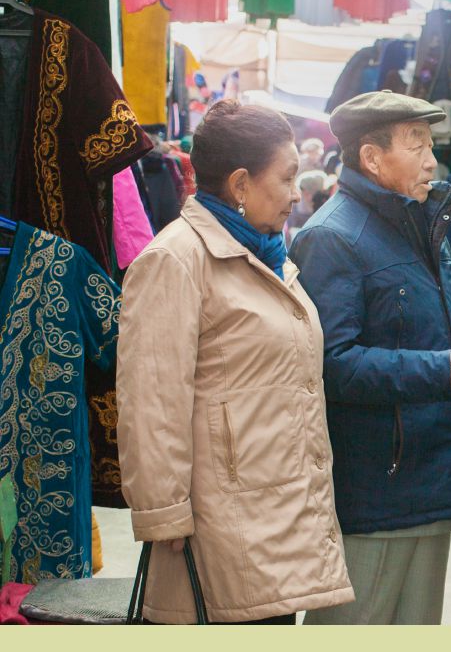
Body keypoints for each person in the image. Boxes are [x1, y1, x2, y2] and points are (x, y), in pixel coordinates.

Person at [117, 101, 353, 624]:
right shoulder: (175, 261)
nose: (298, 193)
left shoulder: (267, 255)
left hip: (277, 516)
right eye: (287, 178)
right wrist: (163, 513)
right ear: (241, 184)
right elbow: (151, 401)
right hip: (221, 527)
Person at [290, 90, 451, 625]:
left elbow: (425, 327)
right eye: (416, 145)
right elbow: (332, 365)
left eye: (430, 145)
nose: (433, 160)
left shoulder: (421, 222)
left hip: (429, 477)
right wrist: (439, 371)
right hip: (376, 488)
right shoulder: (332, 238)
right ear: (372, 158)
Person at [285, 169, 327, 245]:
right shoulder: (293, 208)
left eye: (311, 193)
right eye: (305, 194)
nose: (309, 198)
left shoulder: (325, 207)